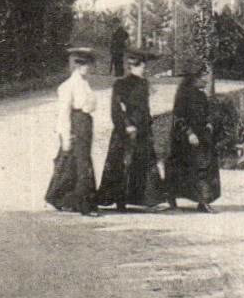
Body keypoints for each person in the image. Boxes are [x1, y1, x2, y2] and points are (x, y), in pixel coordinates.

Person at [96, 49, 162, 211]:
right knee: (123, 163)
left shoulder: (144, 84)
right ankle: (120, 201)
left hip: (143, 130)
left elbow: (145, 109)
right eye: (140, 65)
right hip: (126, 131)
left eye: (143, 65)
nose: (143, 69)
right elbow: (116, 108)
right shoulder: (122, 84)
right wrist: (127, 125)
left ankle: (148, 200)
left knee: (145, 163)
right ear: (133, 66)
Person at [44, 47, 100, 217]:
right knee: (80, 163)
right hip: (76, 124)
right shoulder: (67, 86)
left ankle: (63, 199)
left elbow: (92, 106)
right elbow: (64, 113)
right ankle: (85, 205)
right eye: (82, 64)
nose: (86, 68)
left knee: (77, 163)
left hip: (85, 122)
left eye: (88, 64)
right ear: (76, 66)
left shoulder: (85, 84)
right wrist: (65, 136)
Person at [166, 61, 220, 212]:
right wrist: (189, 133)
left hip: (202, 137)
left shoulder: (201, 95)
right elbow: (178, 117)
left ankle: (203, 201)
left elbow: (207, 112)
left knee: (204, 167)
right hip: (185, 138)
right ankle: (173, 198)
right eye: (203, 76)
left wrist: (209, 123)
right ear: (194, 78)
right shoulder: (183, 95)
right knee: (185, 168)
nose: (205, 79)